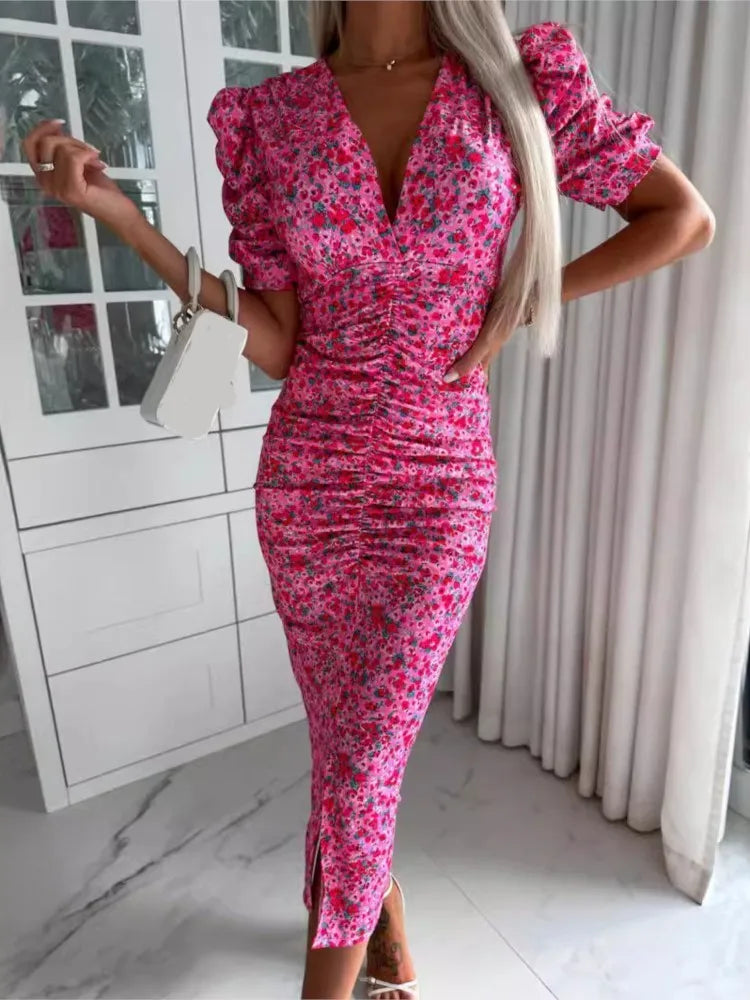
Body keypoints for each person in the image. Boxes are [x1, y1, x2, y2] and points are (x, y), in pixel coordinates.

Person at [24, 2, 715, 997]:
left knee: (360, 765)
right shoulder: (273, 119)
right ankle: (377, 912)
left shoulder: (514, 86)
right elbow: (277, 342)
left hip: (440, 486)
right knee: (350, 749)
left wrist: (523, 301)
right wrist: (126, 222)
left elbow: (682, 218)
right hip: (308, 484)